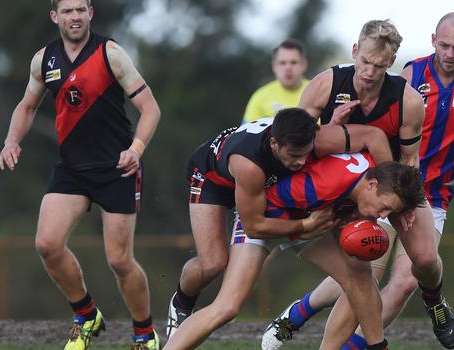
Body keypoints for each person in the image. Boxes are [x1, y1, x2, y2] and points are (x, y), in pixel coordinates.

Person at [264, 13, 454, 350]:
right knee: (364, 272)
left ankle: (434, 300)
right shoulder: (408, 76)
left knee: (421, 267)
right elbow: (308, 137)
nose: (449, 53)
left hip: (420, 189)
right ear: (433, 40)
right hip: (377, 187)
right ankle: (313, 324)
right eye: (443, 45)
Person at [0, 0, 162, 349]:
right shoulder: (44, 60)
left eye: (80, 10)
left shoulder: (111, 54)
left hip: (118, 167)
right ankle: (87, 315)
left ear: (90, 13)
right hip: (72, 169)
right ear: (55, 17)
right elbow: (26, 106)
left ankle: (144, 333)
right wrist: (12, 140)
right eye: (67, 11)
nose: (74, 16)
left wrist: (136, 149)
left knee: (120, 261)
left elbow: (151, 109)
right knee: (47, 243)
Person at [166, 108, 395, 338]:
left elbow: (373, 136)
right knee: (213, 264)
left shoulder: (318, 139)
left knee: (359, 279)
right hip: (213, 181)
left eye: (306, 154)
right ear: (275, 144)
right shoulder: (250, 163)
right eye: (294, 155)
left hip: (266, 193)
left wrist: (390, 186)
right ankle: (182, 302)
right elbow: (254, 226)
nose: (302, 161)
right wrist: (305, 226)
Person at [163, 152, 427, 350]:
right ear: (371, 185)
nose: (382, 216)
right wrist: (303, 228)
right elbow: (265, 213)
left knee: (360, 280)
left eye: (389, 212)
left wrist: (398, 211)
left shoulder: (371, 172)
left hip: (307, 219)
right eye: (384, 208)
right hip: (266, 219)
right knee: (227, 307)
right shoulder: (319, 187)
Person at [242, 39, 309, 123]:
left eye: (293, 62)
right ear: (274, 66)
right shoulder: (260, 96)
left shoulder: (317, 92)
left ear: (304, 65)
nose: (288, 68)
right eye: (282, 63)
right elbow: (246, 133)